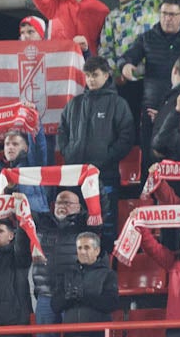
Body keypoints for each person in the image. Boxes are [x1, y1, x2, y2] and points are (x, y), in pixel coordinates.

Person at [57, 59, 136, 229]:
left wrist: (107, 157)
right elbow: (62, 130)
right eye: (87, 75)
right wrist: (68, 151)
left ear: (106, 75)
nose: (91, 79)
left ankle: (104, 255)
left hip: (104, 174)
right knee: (72, 224)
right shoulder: (74, 103)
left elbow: (127, 137)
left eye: (95, 75)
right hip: (74, 175)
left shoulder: (118, 104)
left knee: (105, 224)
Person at [120, 0, 180, 116]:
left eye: (172, 15)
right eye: (164, 14)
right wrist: (125, 65)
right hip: (152, 104)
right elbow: (128, 56)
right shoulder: (148, 38)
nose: (167, 19)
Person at [50, 231, 118, 337]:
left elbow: (111, 303)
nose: (82, 251)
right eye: (79, 248)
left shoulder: (108, 274)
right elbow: (55, 305)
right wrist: (69, 297)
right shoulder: (67, 274)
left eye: (87, 247)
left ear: (97, 251)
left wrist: (83, 296)